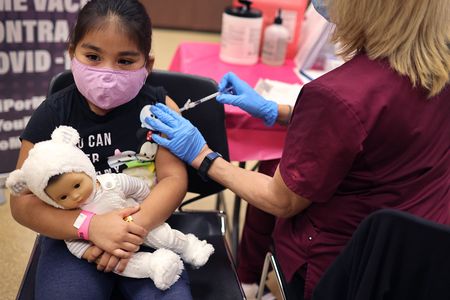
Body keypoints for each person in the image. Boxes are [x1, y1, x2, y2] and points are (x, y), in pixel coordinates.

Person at [144, 0, 450, 299]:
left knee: (270, 169)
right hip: (422, 257)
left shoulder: (337, 95)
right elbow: (379, 123)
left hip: (344, 267)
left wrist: (203, 155)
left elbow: (280, 200)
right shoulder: (436, 66)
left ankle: (253, 283)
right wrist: (280, 111)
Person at [9, 0, 193, 299]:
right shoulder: (53, 113)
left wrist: (130, 230)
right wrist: (90, 227)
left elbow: (173, 179)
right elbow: (21, 202)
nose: (107, 73)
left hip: (148, 228)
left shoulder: (159, 109)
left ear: (147, 65)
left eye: (125, 61)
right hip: (71, 235)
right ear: (72, 53)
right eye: (93, 56)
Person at [7, 126, 214, 290]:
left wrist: (143, 210)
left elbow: (137, 187)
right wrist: (93, 252)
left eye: (77, 185)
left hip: (141, 219)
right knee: (126, 266)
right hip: (106, 251)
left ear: (85, 169)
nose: (76, 195)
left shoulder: (110, 183)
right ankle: (155, 266)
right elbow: (75, 244)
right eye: (63, 197)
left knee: (163, 235)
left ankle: (189, 247)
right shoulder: (68, 216)